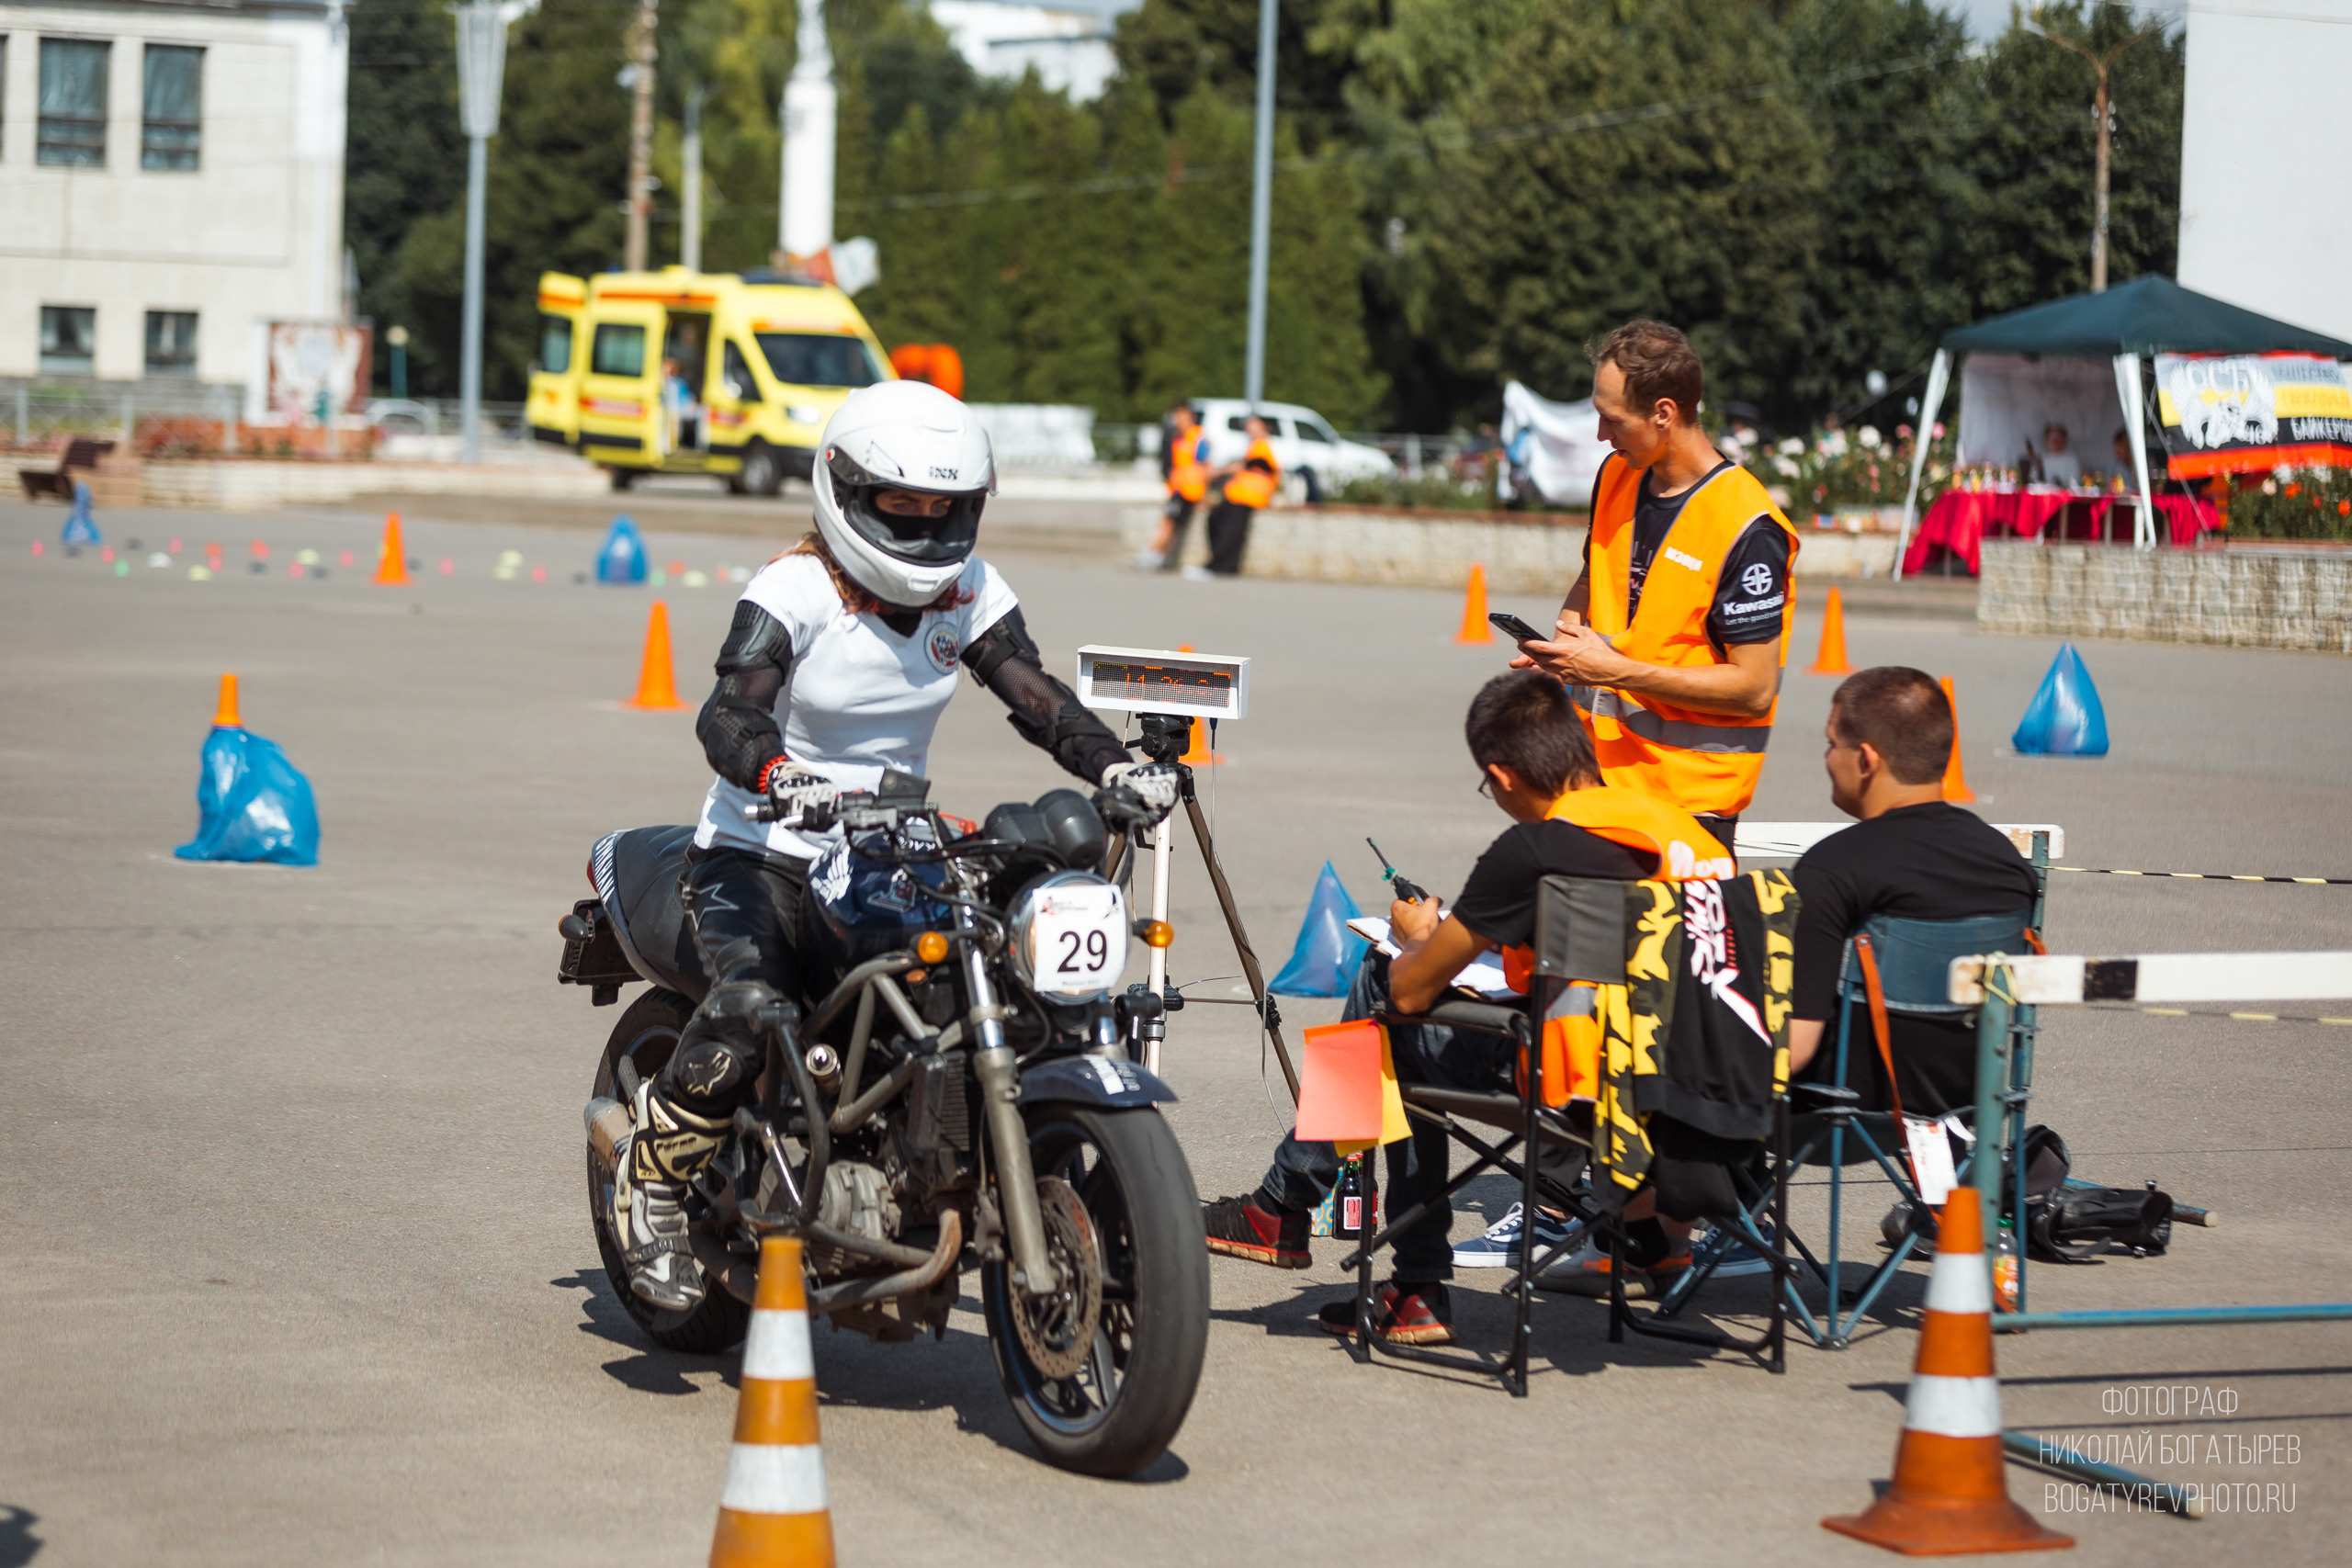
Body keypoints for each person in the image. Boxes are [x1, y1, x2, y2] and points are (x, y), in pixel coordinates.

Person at [609, 379, 1181, 1311]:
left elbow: (1034, 693)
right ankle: (653, 1184)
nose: (922, 523)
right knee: (753, 1005)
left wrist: (1114, 764)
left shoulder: (969, 588)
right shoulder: (794, 588)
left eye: (941, 507)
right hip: (760, 849)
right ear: (845, 488)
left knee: (985, 976)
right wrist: (776, 774)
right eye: (898, 503)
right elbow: (728, 711)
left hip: (886, 844)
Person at [1199, 671, 1735, 1344]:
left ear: (1502, 775)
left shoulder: (1534, 851)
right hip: (1696, 1082)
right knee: (1395, 1015)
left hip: (1578, 1083)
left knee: (1382, 993)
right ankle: (1318, 1226)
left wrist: (1418, 938)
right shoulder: (1692, 838)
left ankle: (1334, 1232)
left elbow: (1411, 992)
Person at [1512, 321, 1797, 853]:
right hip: (1594, 781)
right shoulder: (1617, 475)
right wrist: (1566, 641)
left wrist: (1610, 670)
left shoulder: (1746, 525)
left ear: (1663, 413)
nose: (1602, 434)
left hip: (1686, 809)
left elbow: (1754, 688)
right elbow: (1594, 573)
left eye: (1612, 419)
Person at [1784, 667, 2040, 1114]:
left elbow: (1794, 1049)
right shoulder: (2008, 863)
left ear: (1867, 759)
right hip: (1969, 1107)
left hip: (1851, 1112)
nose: (1827, 757)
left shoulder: (1830, 868)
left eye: (1831, 743)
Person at [1196, 413, 1280, 580]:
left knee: (1230, 531)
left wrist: (1220, 471)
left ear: (1264, 427)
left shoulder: (1263, 445)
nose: (1250, 429)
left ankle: (1222, 566)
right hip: (1238, 494)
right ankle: (1217, 563)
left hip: (1249, 496)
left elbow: (1248, 465)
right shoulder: (1254, 445)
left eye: (1254, 425)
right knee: (1217, 520)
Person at [1139, 403, 1207, 571]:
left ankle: (1153, 555)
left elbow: (1205, 465)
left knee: (1168, 523)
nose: (1178, 421)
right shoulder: (1178, 437)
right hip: (1179, 488)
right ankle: (1157, 556)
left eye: (1182, 417)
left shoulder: (1197, 438)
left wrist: (1204, 492)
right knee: (1171, 524)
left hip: (1188, 490)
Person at [2040, 423, 2080, 488]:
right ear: (2047, 440)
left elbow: (2075, 483)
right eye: (2053, 440)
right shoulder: (2040, 459)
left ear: (2065, 440)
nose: (2056, 442)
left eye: (2059, 439)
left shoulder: (2072, 459)